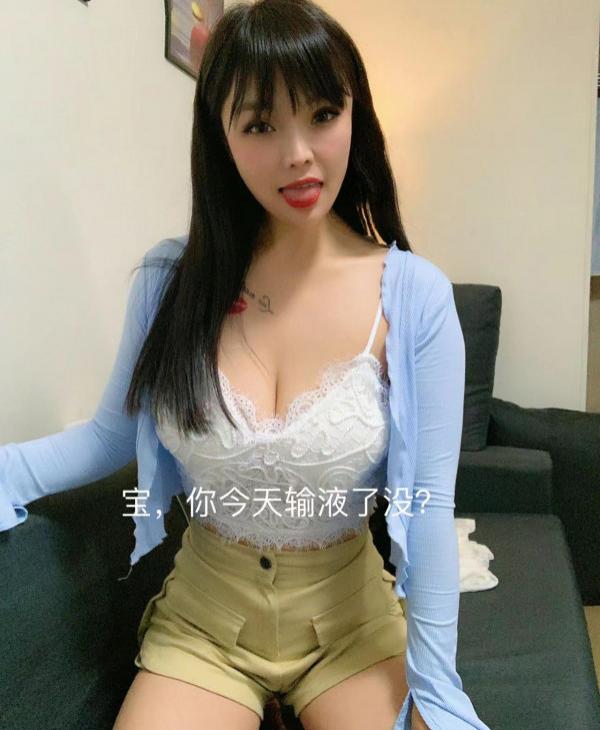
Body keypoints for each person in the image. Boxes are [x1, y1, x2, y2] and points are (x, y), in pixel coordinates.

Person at [0, 1, 490, 729]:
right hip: (204, 627)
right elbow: (108, 438)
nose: (299, 153)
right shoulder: (169, 282)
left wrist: (438, 690)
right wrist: (6, 473)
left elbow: (426, 509)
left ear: (355, 116)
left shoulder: (414, 298)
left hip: (351, 624)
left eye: (323, 114)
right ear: (219, 134)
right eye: (261, 125)